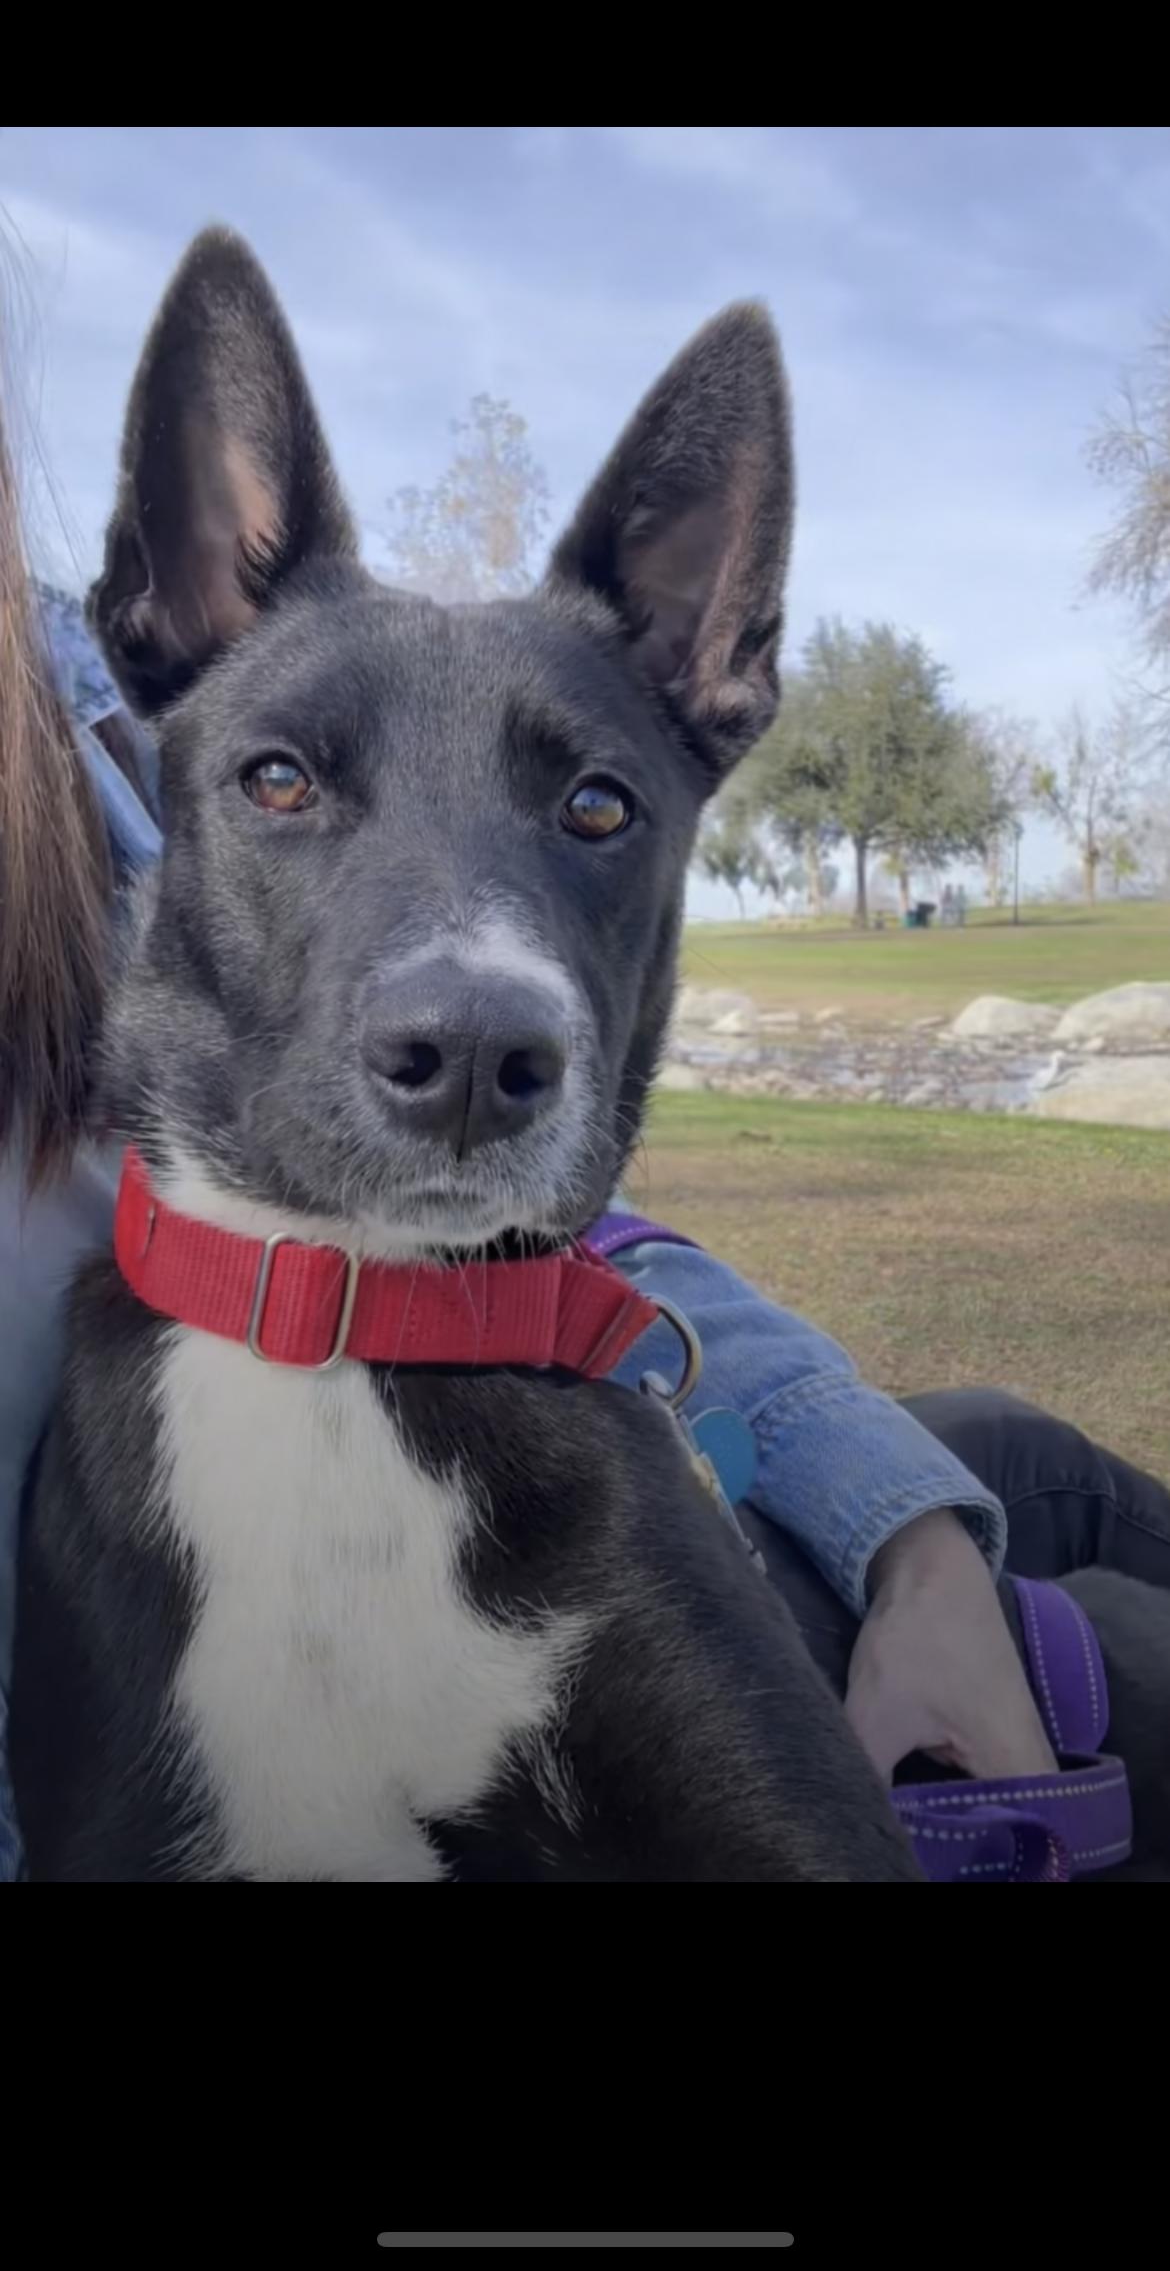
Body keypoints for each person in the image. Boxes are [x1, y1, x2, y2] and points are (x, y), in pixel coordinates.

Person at [3, 371, 1169, 1882]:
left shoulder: (87, 723)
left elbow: (595, 1248)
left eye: (596, 811)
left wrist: (901, 1526)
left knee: (1017, 1459)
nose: (472, 1007)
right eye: (287, 782)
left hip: (565, 1388)